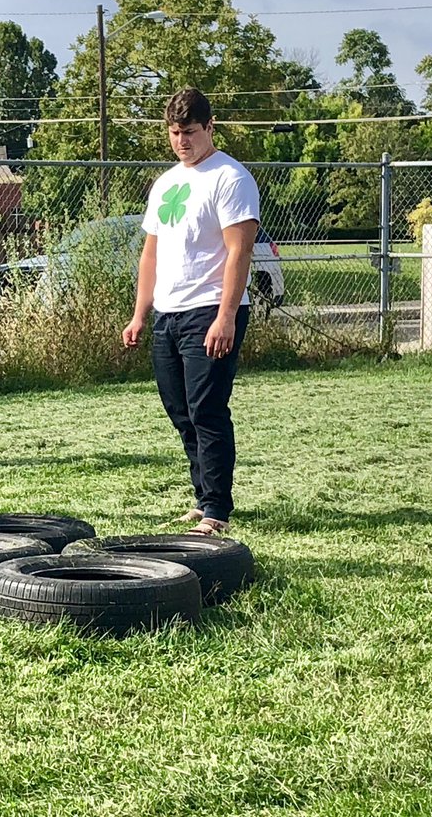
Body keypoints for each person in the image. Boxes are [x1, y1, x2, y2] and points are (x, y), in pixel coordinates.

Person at [121, 87, 260, 536]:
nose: (182, 141)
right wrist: (140, 314)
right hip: (168, 312)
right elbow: (151, 254)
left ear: (210, 127)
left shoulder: (230, 178)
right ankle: (201, 498)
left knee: (207, 408)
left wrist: (225, 316)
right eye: (175, 133)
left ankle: (217, 508)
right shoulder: (166, 183)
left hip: (211, 309)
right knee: (180, 410)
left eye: (191, 132)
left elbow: (240, 252)